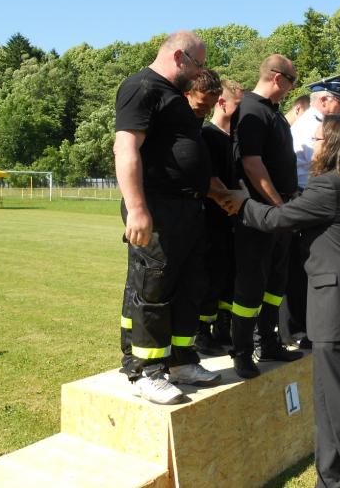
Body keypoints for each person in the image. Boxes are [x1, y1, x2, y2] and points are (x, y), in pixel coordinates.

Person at [222, 115, 340, 488]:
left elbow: (278, 219)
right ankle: (332, 480)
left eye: (316, 140)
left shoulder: (330, 185)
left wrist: (243, 203)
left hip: (337, 308)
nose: (310, 146)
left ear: (331, 145)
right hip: (338, 304)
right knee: (329, 403)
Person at [114, 31, 222, 405]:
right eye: (198, 64)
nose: (201, 72)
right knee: (153, 289)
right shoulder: (141, 87)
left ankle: (181, 361)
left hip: (188, 209)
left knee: (189, 288)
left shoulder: (174, 95)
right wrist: (137, 209)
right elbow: (126, 148)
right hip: (157, 208)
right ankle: (147, 371)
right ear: (179, 57)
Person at [229, 54, 303, 378]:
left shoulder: (273, 113)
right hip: (258, 215)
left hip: (279, 213)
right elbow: (252, 164)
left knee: (276, 283)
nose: (291, 90)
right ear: (277, 78)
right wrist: (278, 207)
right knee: (250, 285)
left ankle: (269, 342)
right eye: (292, 83)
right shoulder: (251, 111)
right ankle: (242, 352)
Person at [281, 75, 340, 348]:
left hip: (310, 194)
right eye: (339, 102)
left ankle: (300, 327)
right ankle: (294, 328)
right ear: (324, 99)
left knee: (305, 265)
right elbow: (317, 164)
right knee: (300, 266)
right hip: (305, 195)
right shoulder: (311, 125)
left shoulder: (317, 123)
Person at [196, 78, 244, 353]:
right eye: (238, 105)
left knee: (229, 274)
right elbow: (212, 179)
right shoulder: (208, 136)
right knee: (210, 276)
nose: (241, 111)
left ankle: (223, 329)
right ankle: (202, 332)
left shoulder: (236, 139)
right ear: (222, 103)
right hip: (213, 220)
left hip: (233, 221)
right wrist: (233, 202)